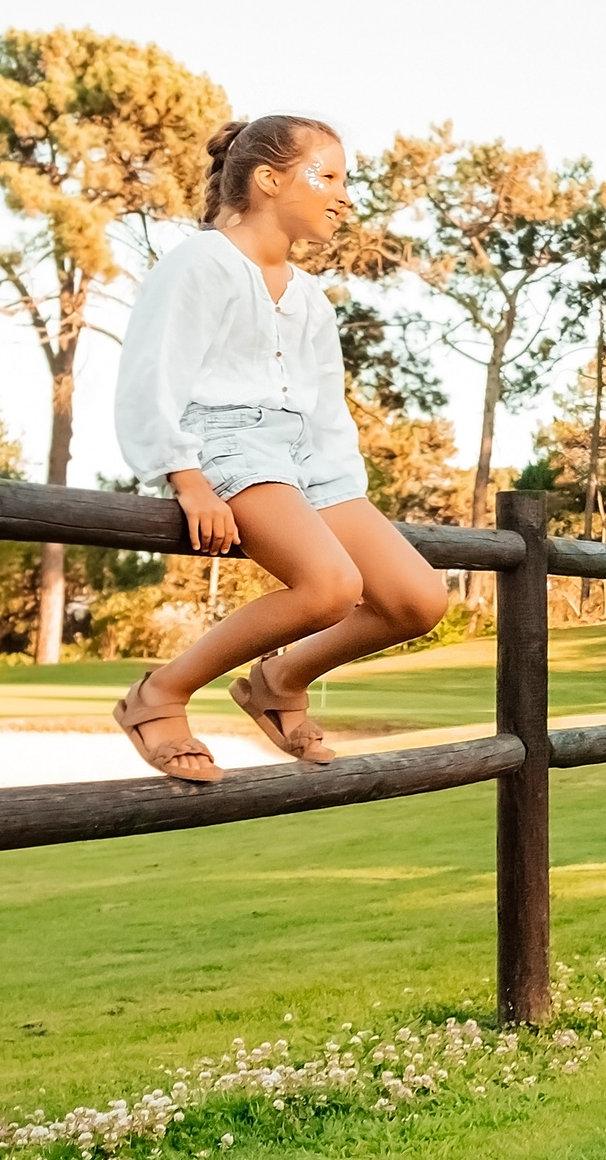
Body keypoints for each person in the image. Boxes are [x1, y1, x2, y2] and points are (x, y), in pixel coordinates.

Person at [109, 115, 450, 783]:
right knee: (329, 585)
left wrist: (344, 495)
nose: (345, 196)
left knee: (418, 599)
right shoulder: (200, 262)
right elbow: (153, 375)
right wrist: (189, 478)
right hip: (226, 439)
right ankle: (159, 695)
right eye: (328, 177)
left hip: (307, 459)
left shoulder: (311, 299)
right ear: (268, 180)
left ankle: (279, 680)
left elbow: (326, 412)